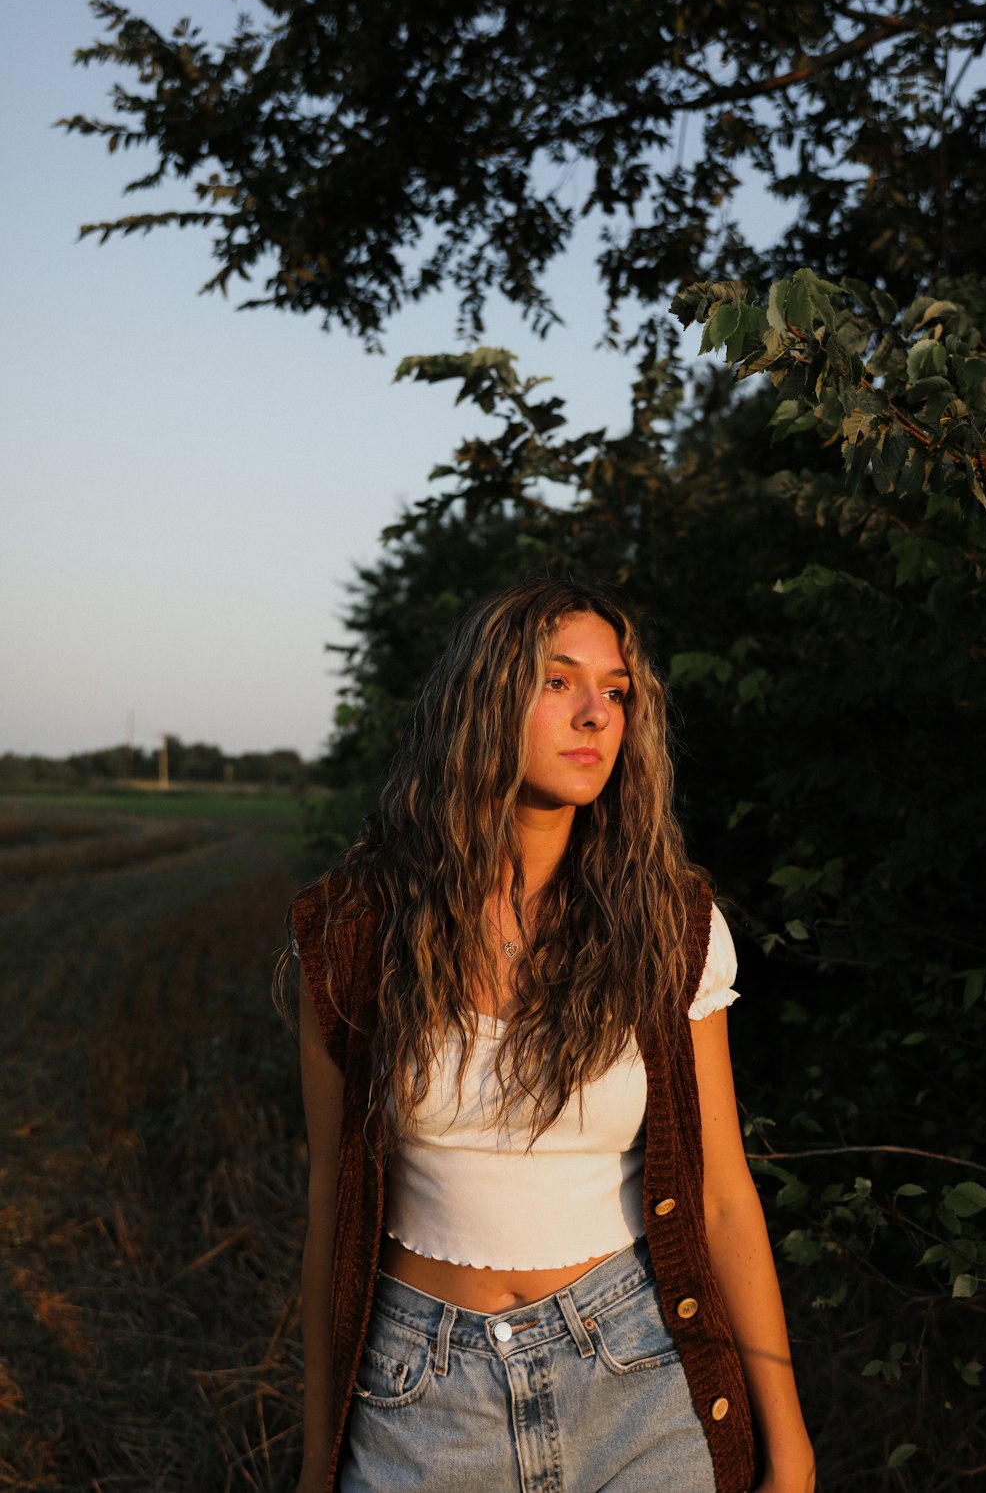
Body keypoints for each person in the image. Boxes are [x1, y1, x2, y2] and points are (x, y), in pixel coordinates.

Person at [277, 577, 815, 1493]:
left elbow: (724, 1196)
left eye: (615, 691)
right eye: (559, 682)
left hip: (637, 1375)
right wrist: (315, 1460)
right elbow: (333, 1210)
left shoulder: (669, 923)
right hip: (420, 1395)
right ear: (483, 699)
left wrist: (791, 1451)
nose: (595, 714)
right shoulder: (352, 932)